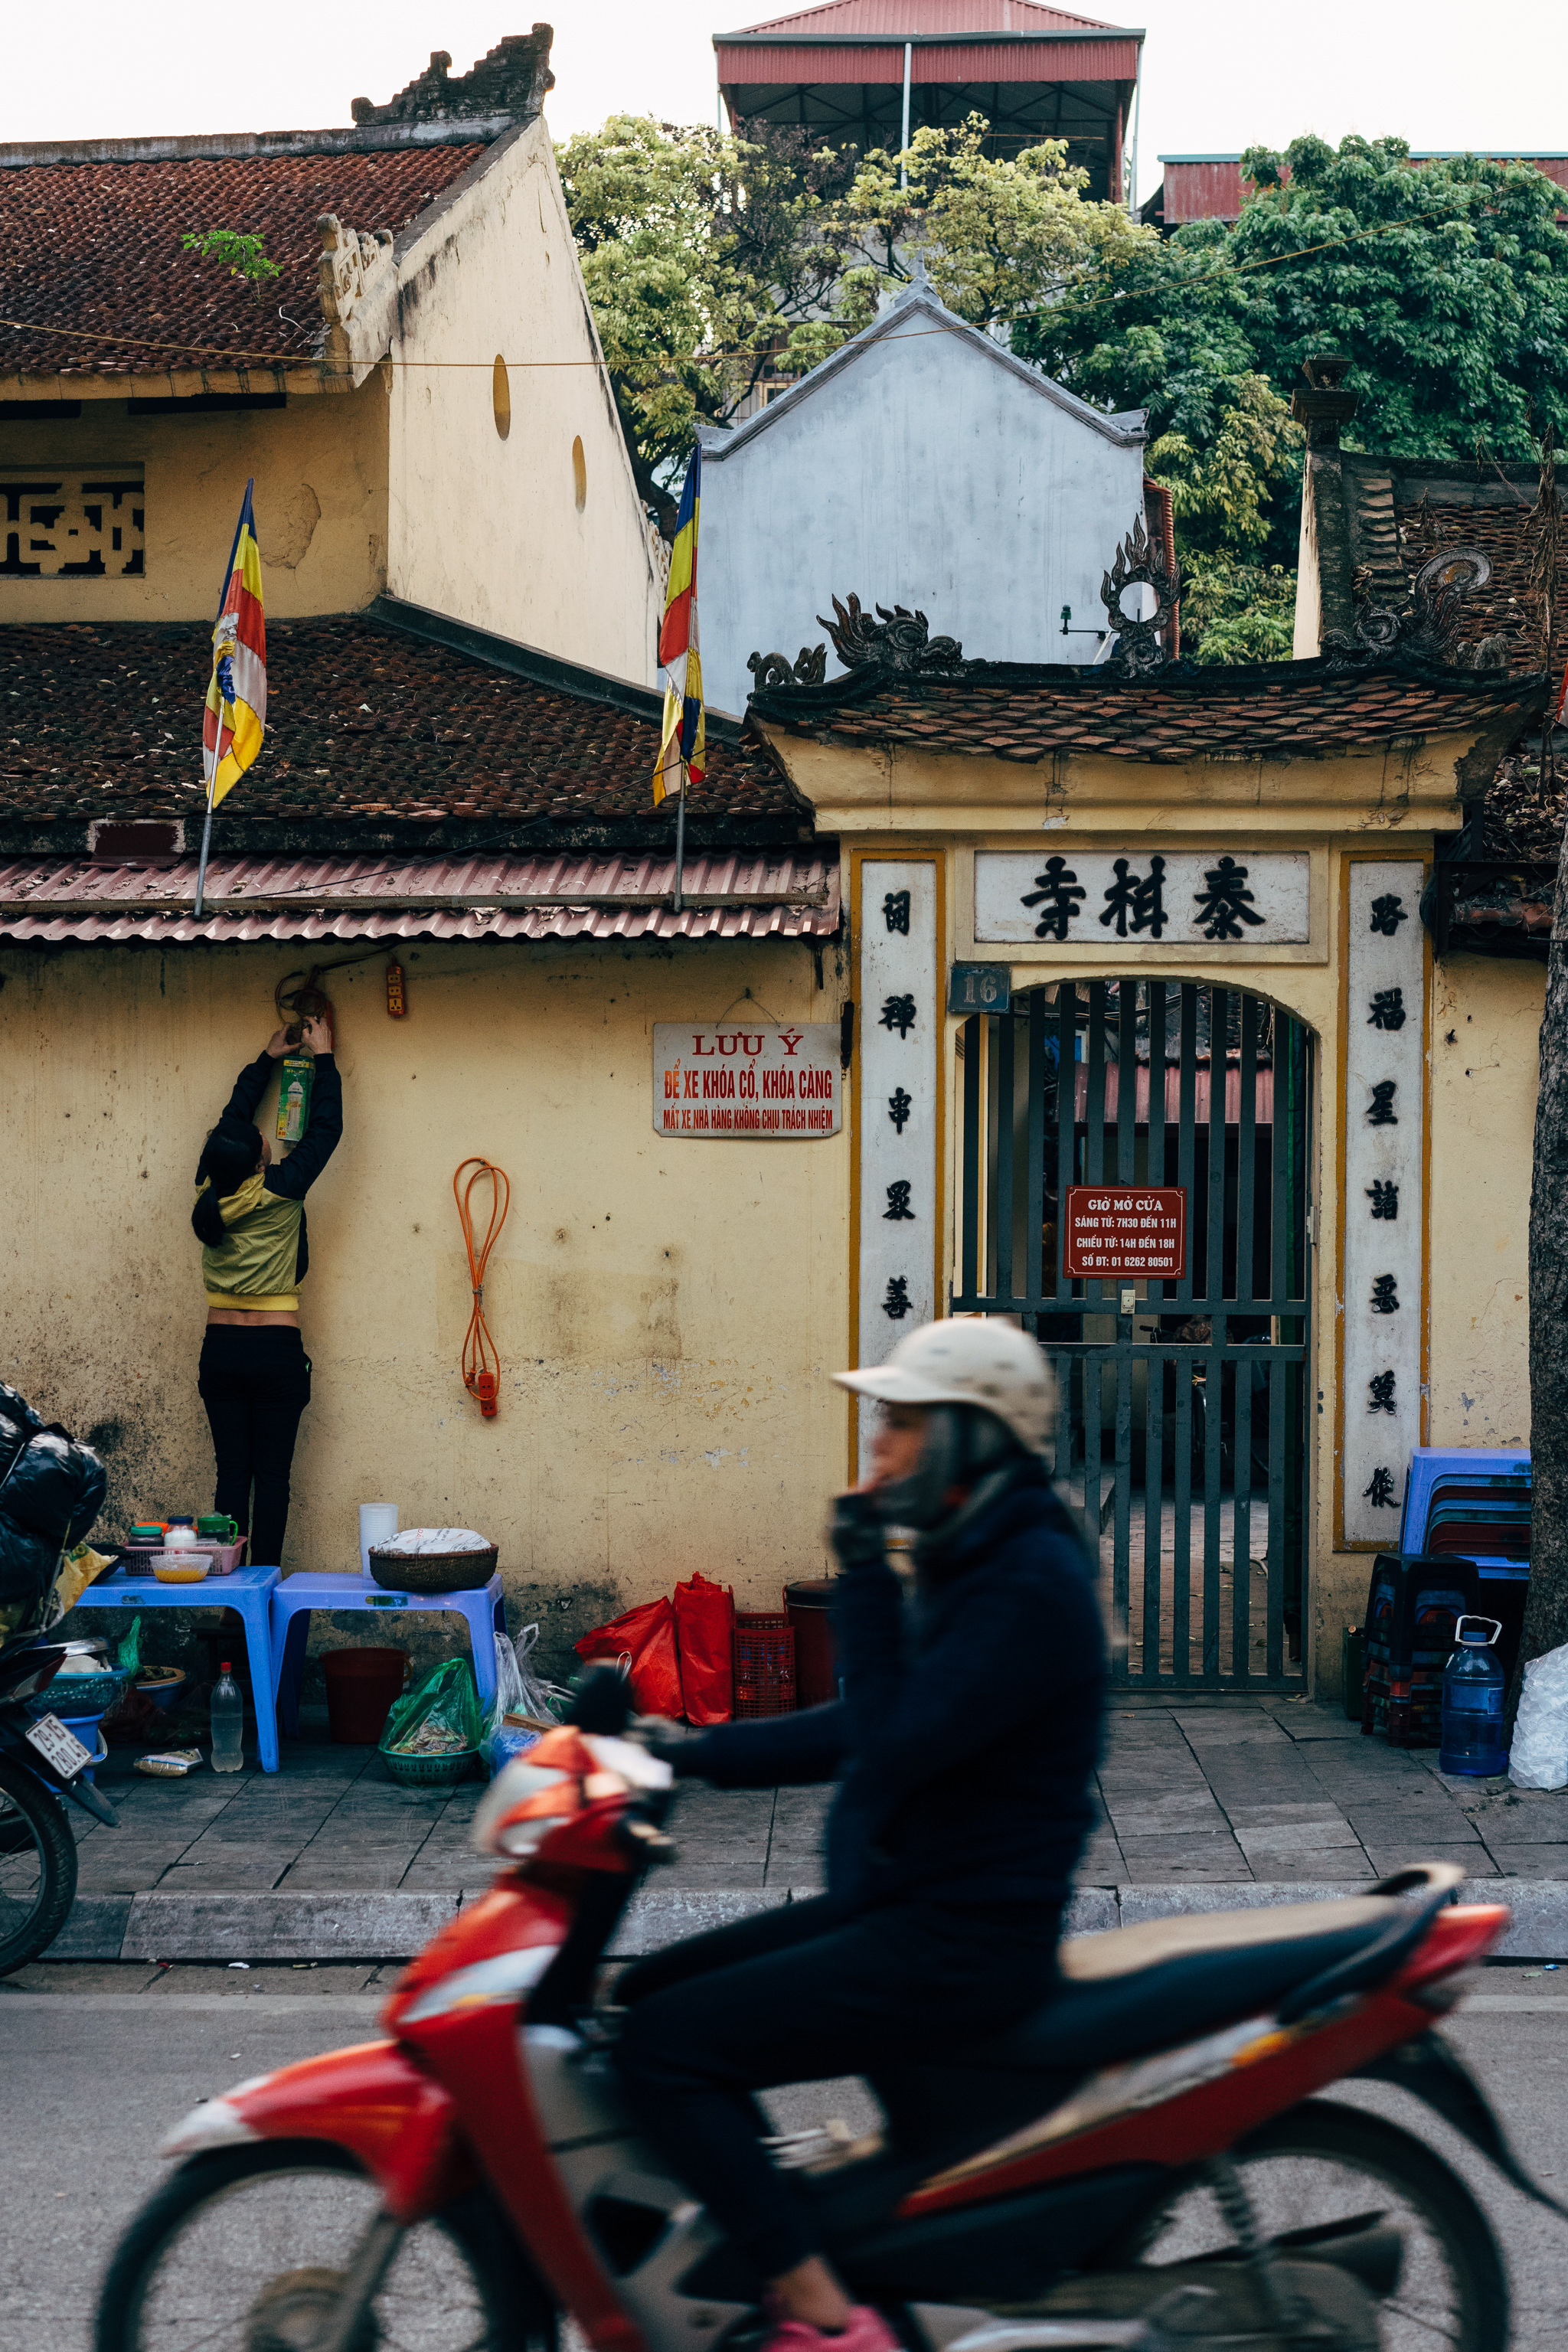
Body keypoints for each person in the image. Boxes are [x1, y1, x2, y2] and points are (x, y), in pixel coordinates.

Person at [616, 1319, 1106, 2352]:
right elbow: (868, 1728)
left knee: (667, 2047)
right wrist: (681, 1752)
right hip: (905, 1902)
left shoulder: (1024, 1581)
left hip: (957, 1939)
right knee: (643, 1998)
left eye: (899, 1427)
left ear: (970, 1443)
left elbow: (886, 1738)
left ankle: (818, 2310)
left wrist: (864, 1578)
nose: (876, 1448)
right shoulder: (977, 1552)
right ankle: (764, 2241)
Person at [191, 1016, 341, 1569]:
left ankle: (232, 1594)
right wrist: (322, 1058)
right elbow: (325, 1130)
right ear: (260, 1161)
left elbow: (231, 1125)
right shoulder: (281, 1190)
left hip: (221, 1351)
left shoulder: (210, 1193)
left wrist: (267, 1059)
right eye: (262, 1143)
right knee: (272, 1477)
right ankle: (265, 1585)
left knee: (232, 1472)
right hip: (275, 1352)